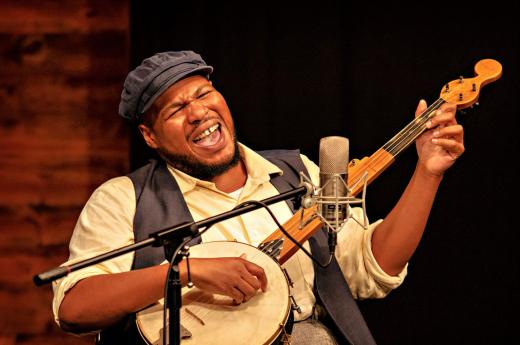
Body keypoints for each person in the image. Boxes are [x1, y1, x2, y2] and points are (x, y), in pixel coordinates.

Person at [52, 50, 464, 345]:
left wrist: (427, 173)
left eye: (202, 93)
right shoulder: (125, 198)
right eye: (174, 109)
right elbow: (75, 308)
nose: (197, 112)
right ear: (150, 136)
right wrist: (186, 272)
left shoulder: (298, 174)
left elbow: (373, 269)